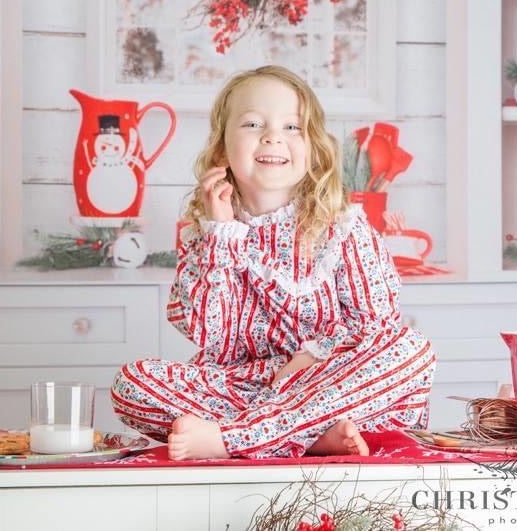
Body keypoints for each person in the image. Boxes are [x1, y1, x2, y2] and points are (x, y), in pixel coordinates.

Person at [111, 65, 436, 460]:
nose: (272, 137)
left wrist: (311, 356)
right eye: (252, 123)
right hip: (246, 386)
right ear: (221, 149)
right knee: (132, 383)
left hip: (335, 386)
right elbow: (209, 334)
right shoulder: (206, 235)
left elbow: (375, 329)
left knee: (410, 349)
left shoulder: (343, 227)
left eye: (292, 127)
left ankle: (235, 439)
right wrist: (221, 234)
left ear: (313, 148)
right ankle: (305, 437)